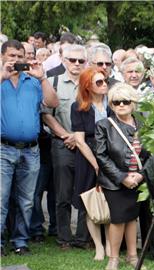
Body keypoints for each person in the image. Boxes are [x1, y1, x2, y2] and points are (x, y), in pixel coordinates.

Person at [1, 39, 59, 256]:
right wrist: (3, 76)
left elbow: (53, 103)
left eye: (20, 56)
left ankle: (20, 241)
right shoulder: (1, 80)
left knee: (26, 200)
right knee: (1, 199)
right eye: (12, 56)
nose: (16, 60)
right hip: (3, 148)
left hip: (31, 150)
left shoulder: (33, 81)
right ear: (2, 57)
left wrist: (42, 77)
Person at [42, 44, 91, 250]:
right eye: (73, 60)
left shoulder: (90, 84)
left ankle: (83, 238)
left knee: (86, 192)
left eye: (81, 61)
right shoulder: (53, 81)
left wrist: (80, 138)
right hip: (63, 144)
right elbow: (46, 115)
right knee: (63, 193)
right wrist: (67, 136)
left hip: (87, 143)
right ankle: (64, 238)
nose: (77, 64)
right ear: (64, 61)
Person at [95, 83, 147, 270]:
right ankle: (113, 258)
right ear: (111, 104)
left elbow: (150, 155)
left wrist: (140, 176)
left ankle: (133, 257)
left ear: (133, 103)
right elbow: (101, 156)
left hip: (137, 180)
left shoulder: (143, 124)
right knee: (118, 218)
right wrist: (122, 177)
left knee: (132, 217)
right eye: (116, 102)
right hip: (114, 182)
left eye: (125, 101)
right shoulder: (104, 125)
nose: (121, 105)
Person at [71, 67, 111, 261]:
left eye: (105, 81)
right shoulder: (78, 106)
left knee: (112, 200)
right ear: (88, 86)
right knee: (90, 201)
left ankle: (112, 246)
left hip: (112, 156)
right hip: (88, 158)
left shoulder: (112, 103)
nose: (104, 85)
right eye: (99, 82)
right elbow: (79, 140)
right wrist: (95, 163)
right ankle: (98, 247)